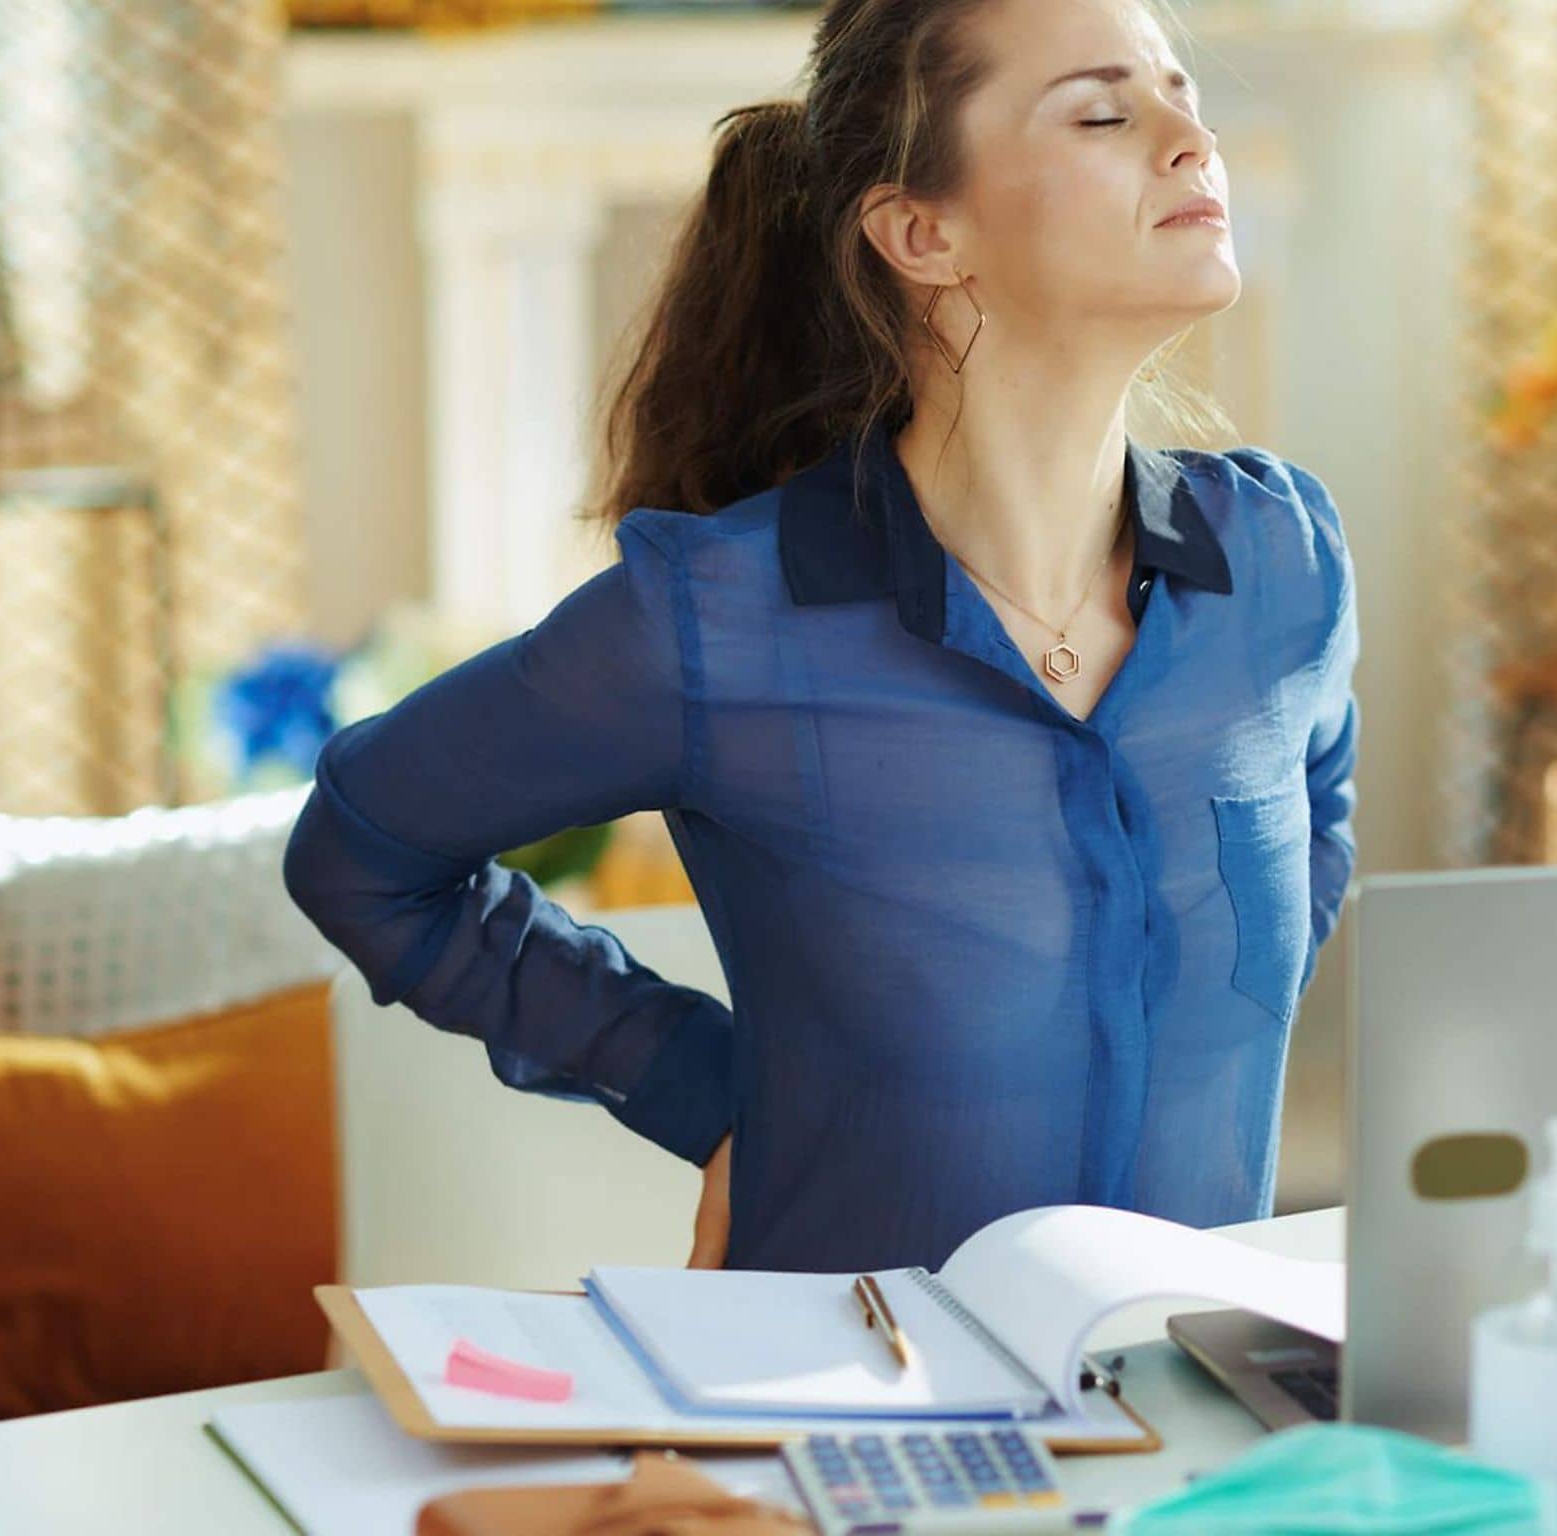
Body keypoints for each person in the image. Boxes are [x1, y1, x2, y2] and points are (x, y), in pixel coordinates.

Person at [282, 0, 1360, 1275]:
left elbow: (1315, 817)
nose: (1190, 141)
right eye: (1100, 113)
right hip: (853, 1389)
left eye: (1184, 96)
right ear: (921, 233)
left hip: (1189, 1382)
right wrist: (697, 1085)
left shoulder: (1279, 559)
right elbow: (362, 848)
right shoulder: (719, 619)